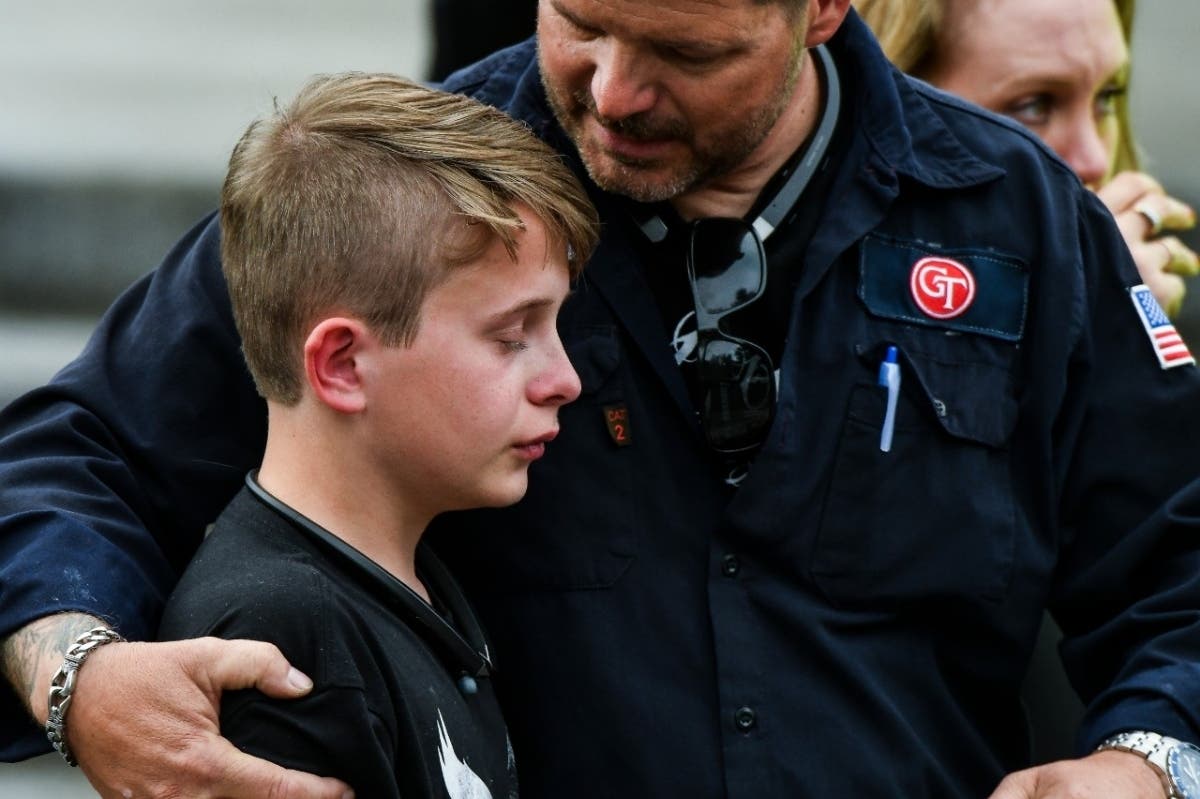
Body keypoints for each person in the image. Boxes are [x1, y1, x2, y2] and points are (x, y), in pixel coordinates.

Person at [3, 2, 1200, 797]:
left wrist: (1149, 757)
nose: (615, 92)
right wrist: (77, 678)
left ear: (825, 10)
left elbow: (1177, 556)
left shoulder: (1020, 219)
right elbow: (73, 454)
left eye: (687, 54)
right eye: (580, 22)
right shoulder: (413, 202)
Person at [154, 71, 596, 798]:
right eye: (512, 335)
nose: (565, 379)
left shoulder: (407, 581)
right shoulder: (282, 642)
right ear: (343, 364)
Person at [854, 0, 1200, 317]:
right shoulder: (833, 316)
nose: (1095, 160)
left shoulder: (1162, 286)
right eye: (1034, 106)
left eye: (1107, 96)